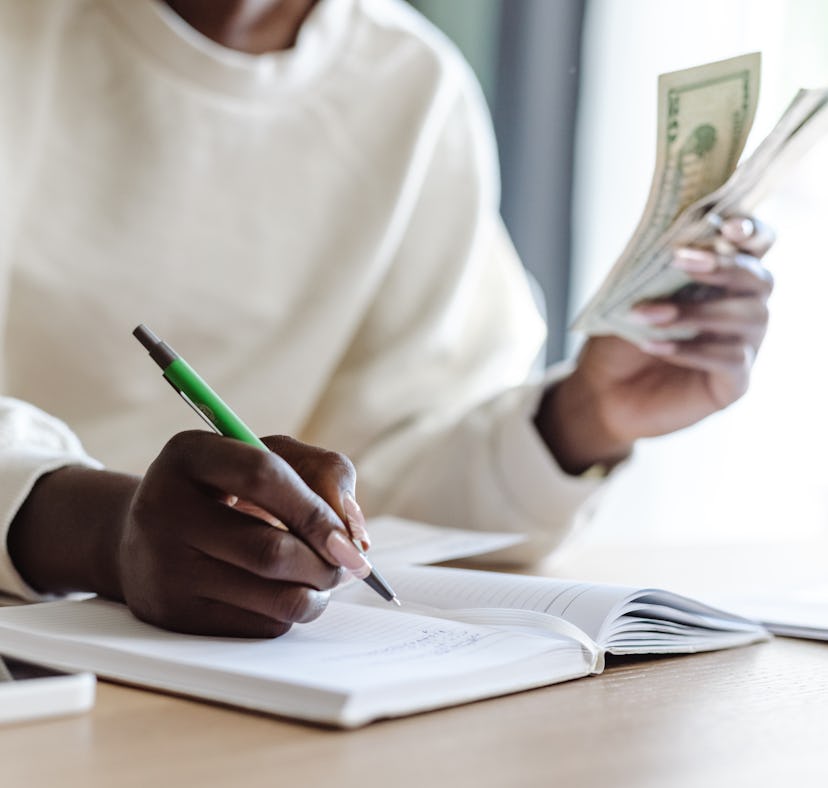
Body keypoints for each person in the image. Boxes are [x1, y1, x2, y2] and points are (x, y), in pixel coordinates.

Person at [0, 0, 774, 637]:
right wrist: (103, 532)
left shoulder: (413, 85)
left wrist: (581, 420)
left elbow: (395, 497)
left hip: (237, 689)